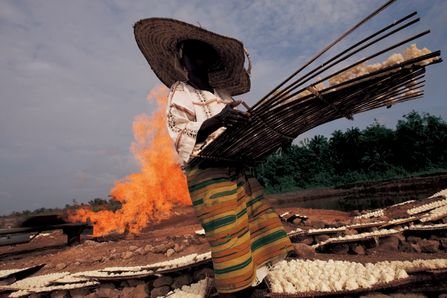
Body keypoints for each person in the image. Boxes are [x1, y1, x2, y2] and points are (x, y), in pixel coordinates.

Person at [134, 18, 295, 297]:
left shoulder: (222, 95)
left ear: (210, 59)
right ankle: (235, 290)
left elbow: (241, 129)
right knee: (226, 235)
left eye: (203, 52)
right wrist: (214, 122)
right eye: (192, 52)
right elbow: (178, 131)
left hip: (236, 169)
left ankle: (255, 279)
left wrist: (270, 134)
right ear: (183, 60)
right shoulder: (179, 92)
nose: (199, 57)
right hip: (208, 173)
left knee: (252, 223)